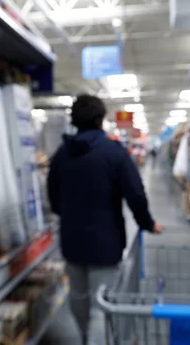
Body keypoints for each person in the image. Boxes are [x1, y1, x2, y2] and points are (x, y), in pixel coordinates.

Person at [47, 94, 162, 345]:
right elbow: (135, 194)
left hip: (71, 241)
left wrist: (68, 214)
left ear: (74, 121)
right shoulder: (113, 153)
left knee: (78, 298)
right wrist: (147, 223)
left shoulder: (61, 155)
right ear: (101, 119)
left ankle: (84, 336)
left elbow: (53, 196)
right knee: (103, 305)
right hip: (105, 243)